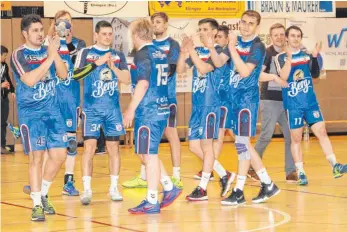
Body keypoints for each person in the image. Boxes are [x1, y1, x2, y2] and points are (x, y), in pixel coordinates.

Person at [207, 10, 280, 205]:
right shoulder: (235, 41)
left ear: (257, 26)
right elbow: (218, 62)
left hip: (246, 102)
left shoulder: (257, 46)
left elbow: (246, 71)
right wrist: (211, 47)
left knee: (241, 144)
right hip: (232, 100)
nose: (246, 26)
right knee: (243, 144)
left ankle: (239, 190)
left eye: (250, 23)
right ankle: (267, 183)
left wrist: (232, 50)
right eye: (243, 22)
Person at [22, 10, 87, 196]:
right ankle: (39, 183)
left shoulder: (78, 43)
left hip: (69, 99)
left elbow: (79, 66)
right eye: (60, 22)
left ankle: (68, 182)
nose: (64, 25)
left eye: (67, 22)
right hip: (49, 99)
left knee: (71, 142)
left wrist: (67, 42)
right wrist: (51, 36)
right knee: (43, 144)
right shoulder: (44, 44)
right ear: (54, 23)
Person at [11, 14, 68, 221]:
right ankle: (36, 205)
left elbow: (62, 74)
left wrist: (55, 53)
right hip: (31, 113)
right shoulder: (19, 55)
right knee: (36, 158)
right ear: (25, 33)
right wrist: (50, 58)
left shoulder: (48, 51)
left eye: (41, 29)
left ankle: (43, 193)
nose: (40, 33)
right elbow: (29, 80)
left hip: (53, 111)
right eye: (34, 30)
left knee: (60, 156)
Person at [275, 25, 347, 185]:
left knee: (321, 131)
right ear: (287, 38)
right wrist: (288, 58)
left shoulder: (306, 56)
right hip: (293, 105)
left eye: (298, 36)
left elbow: (315, 74)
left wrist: (314, 57)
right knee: (296, 138)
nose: (295, 38)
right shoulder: (280, 57)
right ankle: (300, 172)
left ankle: (335, 165)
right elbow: (284, 77)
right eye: (292, 35)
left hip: (310, 103)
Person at [125, 18, 182, 214]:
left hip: (148, 110)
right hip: (160, 108)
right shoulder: (160, 52)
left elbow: (143, 84)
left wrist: (130, 109)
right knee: (145, 153)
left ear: (136, 35)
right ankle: (168, 186)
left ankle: (151, 200)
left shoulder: (142, 54)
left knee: (148, 156)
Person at [177, 18, 235, 201]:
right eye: (199, 29)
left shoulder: (219, 52)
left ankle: (202, 188)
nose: (201, 32)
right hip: (197, 105)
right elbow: (180, 70)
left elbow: (203, 69)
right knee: (194, 146)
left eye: (205, 29)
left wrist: (191, 51)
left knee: (206, 145)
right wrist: (183, 51)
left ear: (213, 32)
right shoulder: (199, 51)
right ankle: (224, 174)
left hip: (211, 105)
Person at [73, 20, 130, 205]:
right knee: (89, 148)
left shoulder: (118, 55)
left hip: (112, 110)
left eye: (110, 34)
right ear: (96, 35)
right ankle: (87, 189)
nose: (108, 37)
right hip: (91, 109)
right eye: (104, 34)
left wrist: (113, 67)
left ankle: (114, 188)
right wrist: (98, 63)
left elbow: (127, 79)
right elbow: (76, 75)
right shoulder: (86, 52)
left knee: (114, 149)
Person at [248, 23, 298, 183]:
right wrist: (275, 77)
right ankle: (251, 166)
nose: (279, 37)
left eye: (282, 34)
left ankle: (290, 171)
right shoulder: (267, 53)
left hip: (287, 101)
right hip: (269, 99)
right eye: (275, 35)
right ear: (271, 37)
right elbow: (257, 74)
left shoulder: (288, 54)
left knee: (291, 136)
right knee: (266, 136)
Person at [193, 25, 233, 181]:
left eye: (221, 37)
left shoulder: (226, 53)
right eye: (217, 36)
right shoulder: (212, 53)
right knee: (211, 139)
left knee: (220, 137)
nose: (218, 39)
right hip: (212, 99)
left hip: (224, 98)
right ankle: (212, 169)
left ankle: (210, 171)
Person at [1, 45, 15, 154]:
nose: (5, 58)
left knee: (3, 122)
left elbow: (8, 79)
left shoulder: (4, 66)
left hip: (3, 97)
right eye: (4, 55)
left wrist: (12, 91)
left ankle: (2, 145)